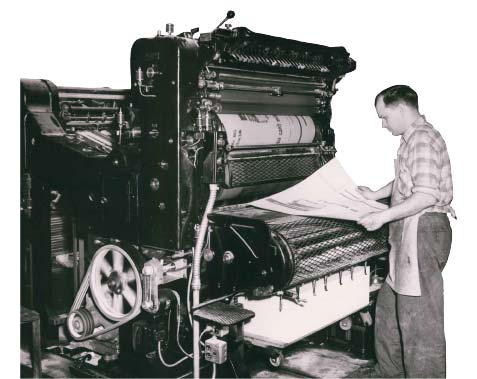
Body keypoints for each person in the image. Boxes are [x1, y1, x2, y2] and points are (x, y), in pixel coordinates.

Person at [357, 85, 454, 378]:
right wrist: (375, 195)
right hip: (410, 234)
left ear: (400, 109)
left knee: (420, 325)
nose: (383, 124)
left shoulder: (422, 139)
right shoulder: (413, 140)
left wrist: (381, 217)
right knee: (388, 315)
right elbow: (407, 180)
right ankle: (390, 375)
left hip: (422, 231)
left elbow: (425, 195)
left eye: (384, 117)